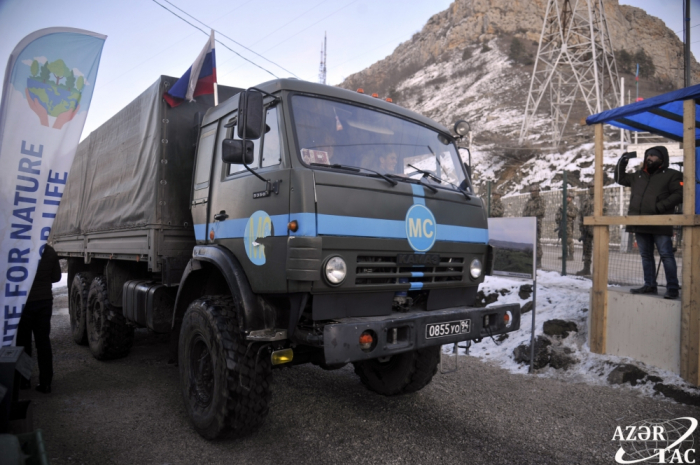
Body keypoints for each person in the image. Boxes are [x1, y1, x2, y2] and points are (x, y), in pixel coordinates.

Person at [615, 146, 683, 299]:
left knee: (666, 255)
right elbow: (620, 179)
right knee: (646, 255)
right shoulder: (638, 176)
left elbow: (680, 194)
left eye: (653, 155)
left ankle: (672, 288)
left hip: (660, 222)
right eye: (648, 155)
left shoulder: (672, 175)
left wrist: (660, 207)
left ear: (662, 158)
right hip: (640, 223)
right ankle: (649, 285)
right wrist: (622, 162)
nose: (649, 158)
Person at [16, 244, 61, 393]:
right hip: (44, 302)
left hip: (24, 302)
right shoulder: (49, 251)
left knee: (23, 342)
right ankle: (46, 382)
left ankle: (24, 380)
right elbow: (56, 277)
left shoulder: (19, 249)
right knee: (43, 342)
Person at [523, 185, 545, 267]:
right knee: (529, 242)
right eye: (531, 191)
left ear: (538, 191)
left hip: (536, 223)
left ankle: (538, 260)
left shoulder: (540, 200)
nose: (532, 193)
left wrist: (531, 215)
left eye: (534, 191)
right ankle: (530, 259)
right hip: (528, 223)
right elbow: (524, 211)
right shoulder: (529, 201)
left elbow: (541, 211)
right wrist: (526, 217)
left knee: (536, 242)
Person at [555, 192, 578, 260]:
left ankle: (571, 255)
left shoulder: (573, 206)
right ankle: (564, 255)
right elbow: (557, 213)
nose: (568, 198)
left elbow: (574, 214)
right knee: (563, 240)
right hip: (562, 224)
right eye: (567, 197)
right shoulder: (562, 206)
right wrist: (558, 219)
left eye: (569, 197)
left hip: (569, 225)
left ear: (572, 199)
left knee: (569, 240)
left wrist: (566, 212)